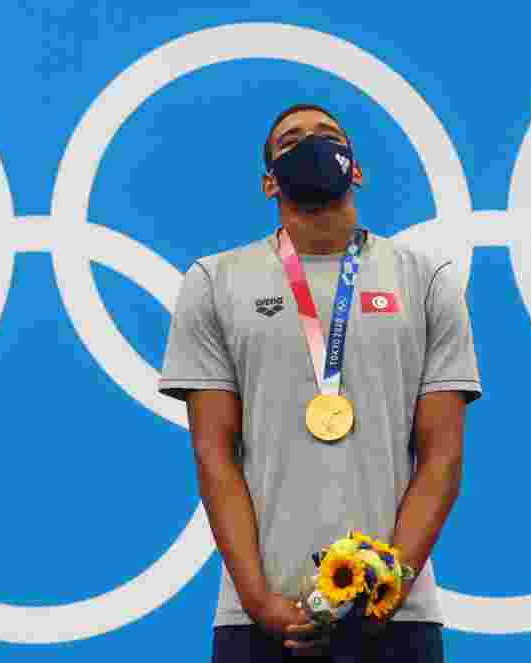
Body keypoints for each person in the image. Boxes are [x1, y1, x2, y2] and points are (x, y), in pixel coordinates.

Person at [158, 103, 482, 662]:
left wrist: (388, 589)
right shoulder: (214, 282)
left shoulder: (427, 281)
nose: (310, 142)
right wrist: (260, 600)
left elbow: (442, 456)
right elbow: (215, 456)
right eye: (290, 141)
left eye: (328, 135)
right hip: (257, 619)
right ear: (268, 182)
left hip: (398, 616)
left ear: (355, 169)